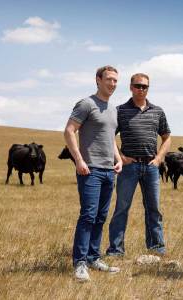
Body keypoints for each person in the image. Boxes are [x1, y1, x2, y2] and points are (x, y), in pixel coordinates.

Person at [64, 65, 123, 282]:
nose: (113, 84)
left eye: (116, 80)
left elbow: (110, 138)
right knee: (88, 216)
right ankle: (79, 263)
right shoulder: (86, 103)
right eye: (109, 79)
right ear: (98, 80)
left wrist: (118, 159)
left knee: (100, 217)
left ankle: (93, 258)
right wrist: (79, 160)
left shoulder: (113, 108)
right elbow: (69, 130)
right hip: (90, 170)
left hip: (109, 171)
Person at [107, 73, 171, 257]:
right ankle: (116, 249)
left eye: (145, 86)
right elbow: (109, 135)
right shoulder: (120, 110)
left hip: (150, 166)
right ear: (130, 87)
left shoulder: (157, 111)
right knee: (121, 208)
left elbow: (167, 137)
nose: (141, 89)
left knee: (154, 208)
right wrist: (120, 157)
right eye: (138, 86)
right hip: (129, 167)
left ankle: (156, 248)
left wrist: (159, 159)